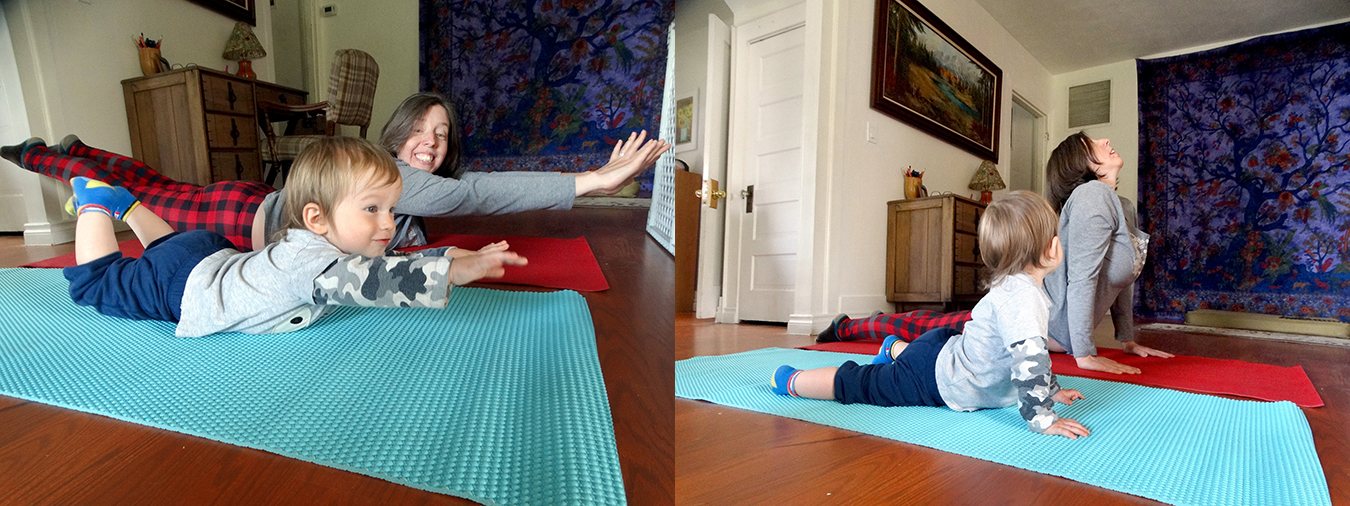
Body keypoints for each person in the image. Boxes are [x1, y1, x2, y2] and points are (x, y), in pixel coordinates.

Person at [2, 91, 669, 253]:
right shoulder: (385, 171)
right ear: (397, 134)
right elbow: (483, 192)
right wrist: (590, 181)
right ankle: (45, 157)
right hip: (248, 219)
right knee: (136, 198)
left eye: (442, 135)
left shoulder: (421, 193)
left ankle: (74, 150)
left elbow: (466, 191)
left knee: (152, 185)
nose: (430, 143)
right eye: (420, 130)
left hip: (254, 205)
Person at [61, 136, 526, 338]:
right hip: (183, 287)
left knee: (163, 250)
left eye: (391, 208)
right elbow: (377, 283)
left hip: (205, 253)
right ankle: (96, 201)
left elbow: (393, 258)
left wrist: (447, 251)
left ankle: (130, 206)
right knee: (96, 282)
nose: (388, 223)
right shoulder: (315, 266)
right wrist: (450, 271)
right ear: (316, 217)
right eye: (372, 209)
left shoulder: (325, 244)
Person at [770, 191, 1090, 439]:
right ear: (1051, 248)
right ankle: (794, 380)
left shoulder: (1021, 288)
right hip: (935, 377)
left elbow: (1034, 358)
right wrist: (1044, 418)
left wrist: (1052, 390)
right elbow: (1030, 360)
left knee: (931, 349)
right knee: (866, 384)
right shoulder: (1023, 298)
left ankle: (894, 348)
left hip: (943, 349)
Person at [1043, 132, 1173, 374]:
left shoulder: (1121, 205)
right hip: (1038, 328)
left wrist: (1127, 340)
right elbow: (1082, 277)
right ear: (1079, 163)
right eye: (1092, 145)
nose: (1105, 140)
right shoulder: (1091, 194)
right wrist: (1084, 355)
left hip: (1059, 337)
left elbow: (1123, 279)